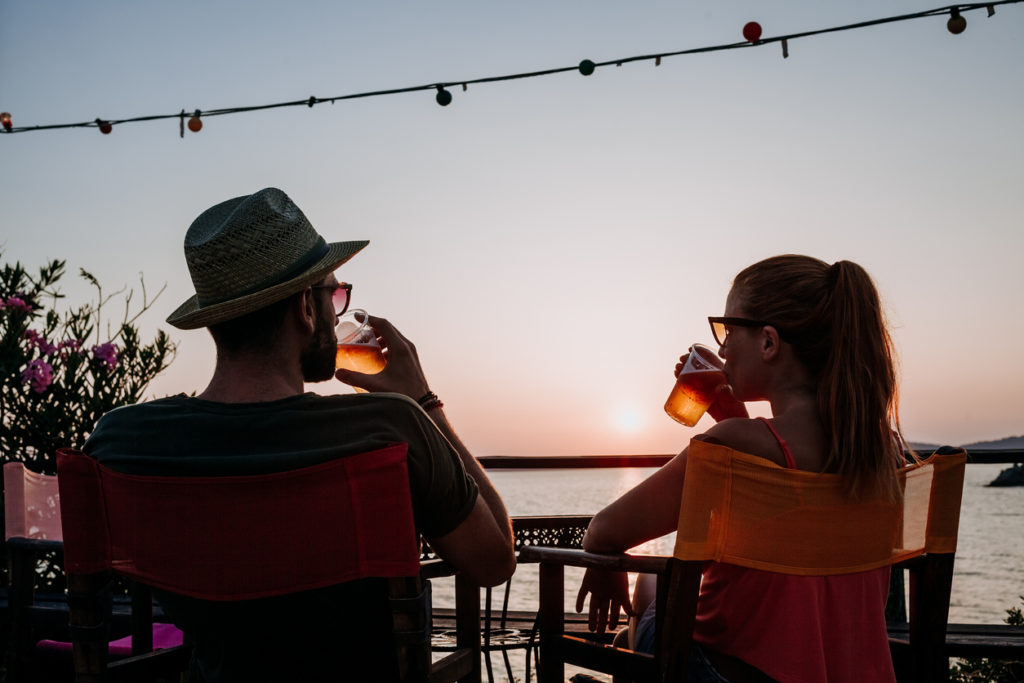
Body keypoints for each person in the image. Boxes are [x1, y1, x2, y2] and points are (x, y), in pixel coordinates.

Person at [83, 187, 516, 682]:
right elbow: (494, 561)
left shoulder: (120, 441)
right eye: (334, 294)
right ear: (304, 310)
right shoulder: (389, 427)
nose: (339, 310)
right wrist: (425, 403)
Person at [576, 255, 907, 683]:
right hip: (853, 673)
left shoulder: (731, 445)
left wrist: (605, 571)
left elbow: (604, 531)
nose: (722, 349)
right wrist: (733, 414)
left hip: (725, 674)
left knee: (648, 586)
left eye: (729, 330)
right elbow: (797, 506)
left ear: (769, 342)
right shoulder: (884, 453)